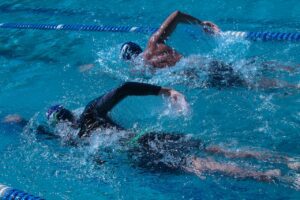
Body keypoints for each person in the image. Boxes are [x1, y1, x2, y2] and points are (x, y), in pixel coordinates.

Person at [2, 82, 297, 183]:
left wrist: (16, 120)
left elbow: (40, 133)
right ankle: (288, 161)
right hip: (146, 136)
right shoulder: (90, 112)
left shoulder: (70, 139)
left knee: (199, 165)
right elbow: (123, 88)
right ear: (72, 111)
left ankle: (273, 177)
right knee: (214, 147)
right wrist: (163, 90)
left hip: (136, 153)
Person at [120, 11, 299, 89]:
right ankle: (293, 69)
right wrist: (201, 24)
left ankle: (292, 87)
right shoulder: (153, 43)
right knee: (246, 66)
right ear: (139, 48)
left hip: (194, 77)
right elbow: (176, 14)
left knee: (245, 82)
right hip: (197, 63)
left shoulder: (137, 70)